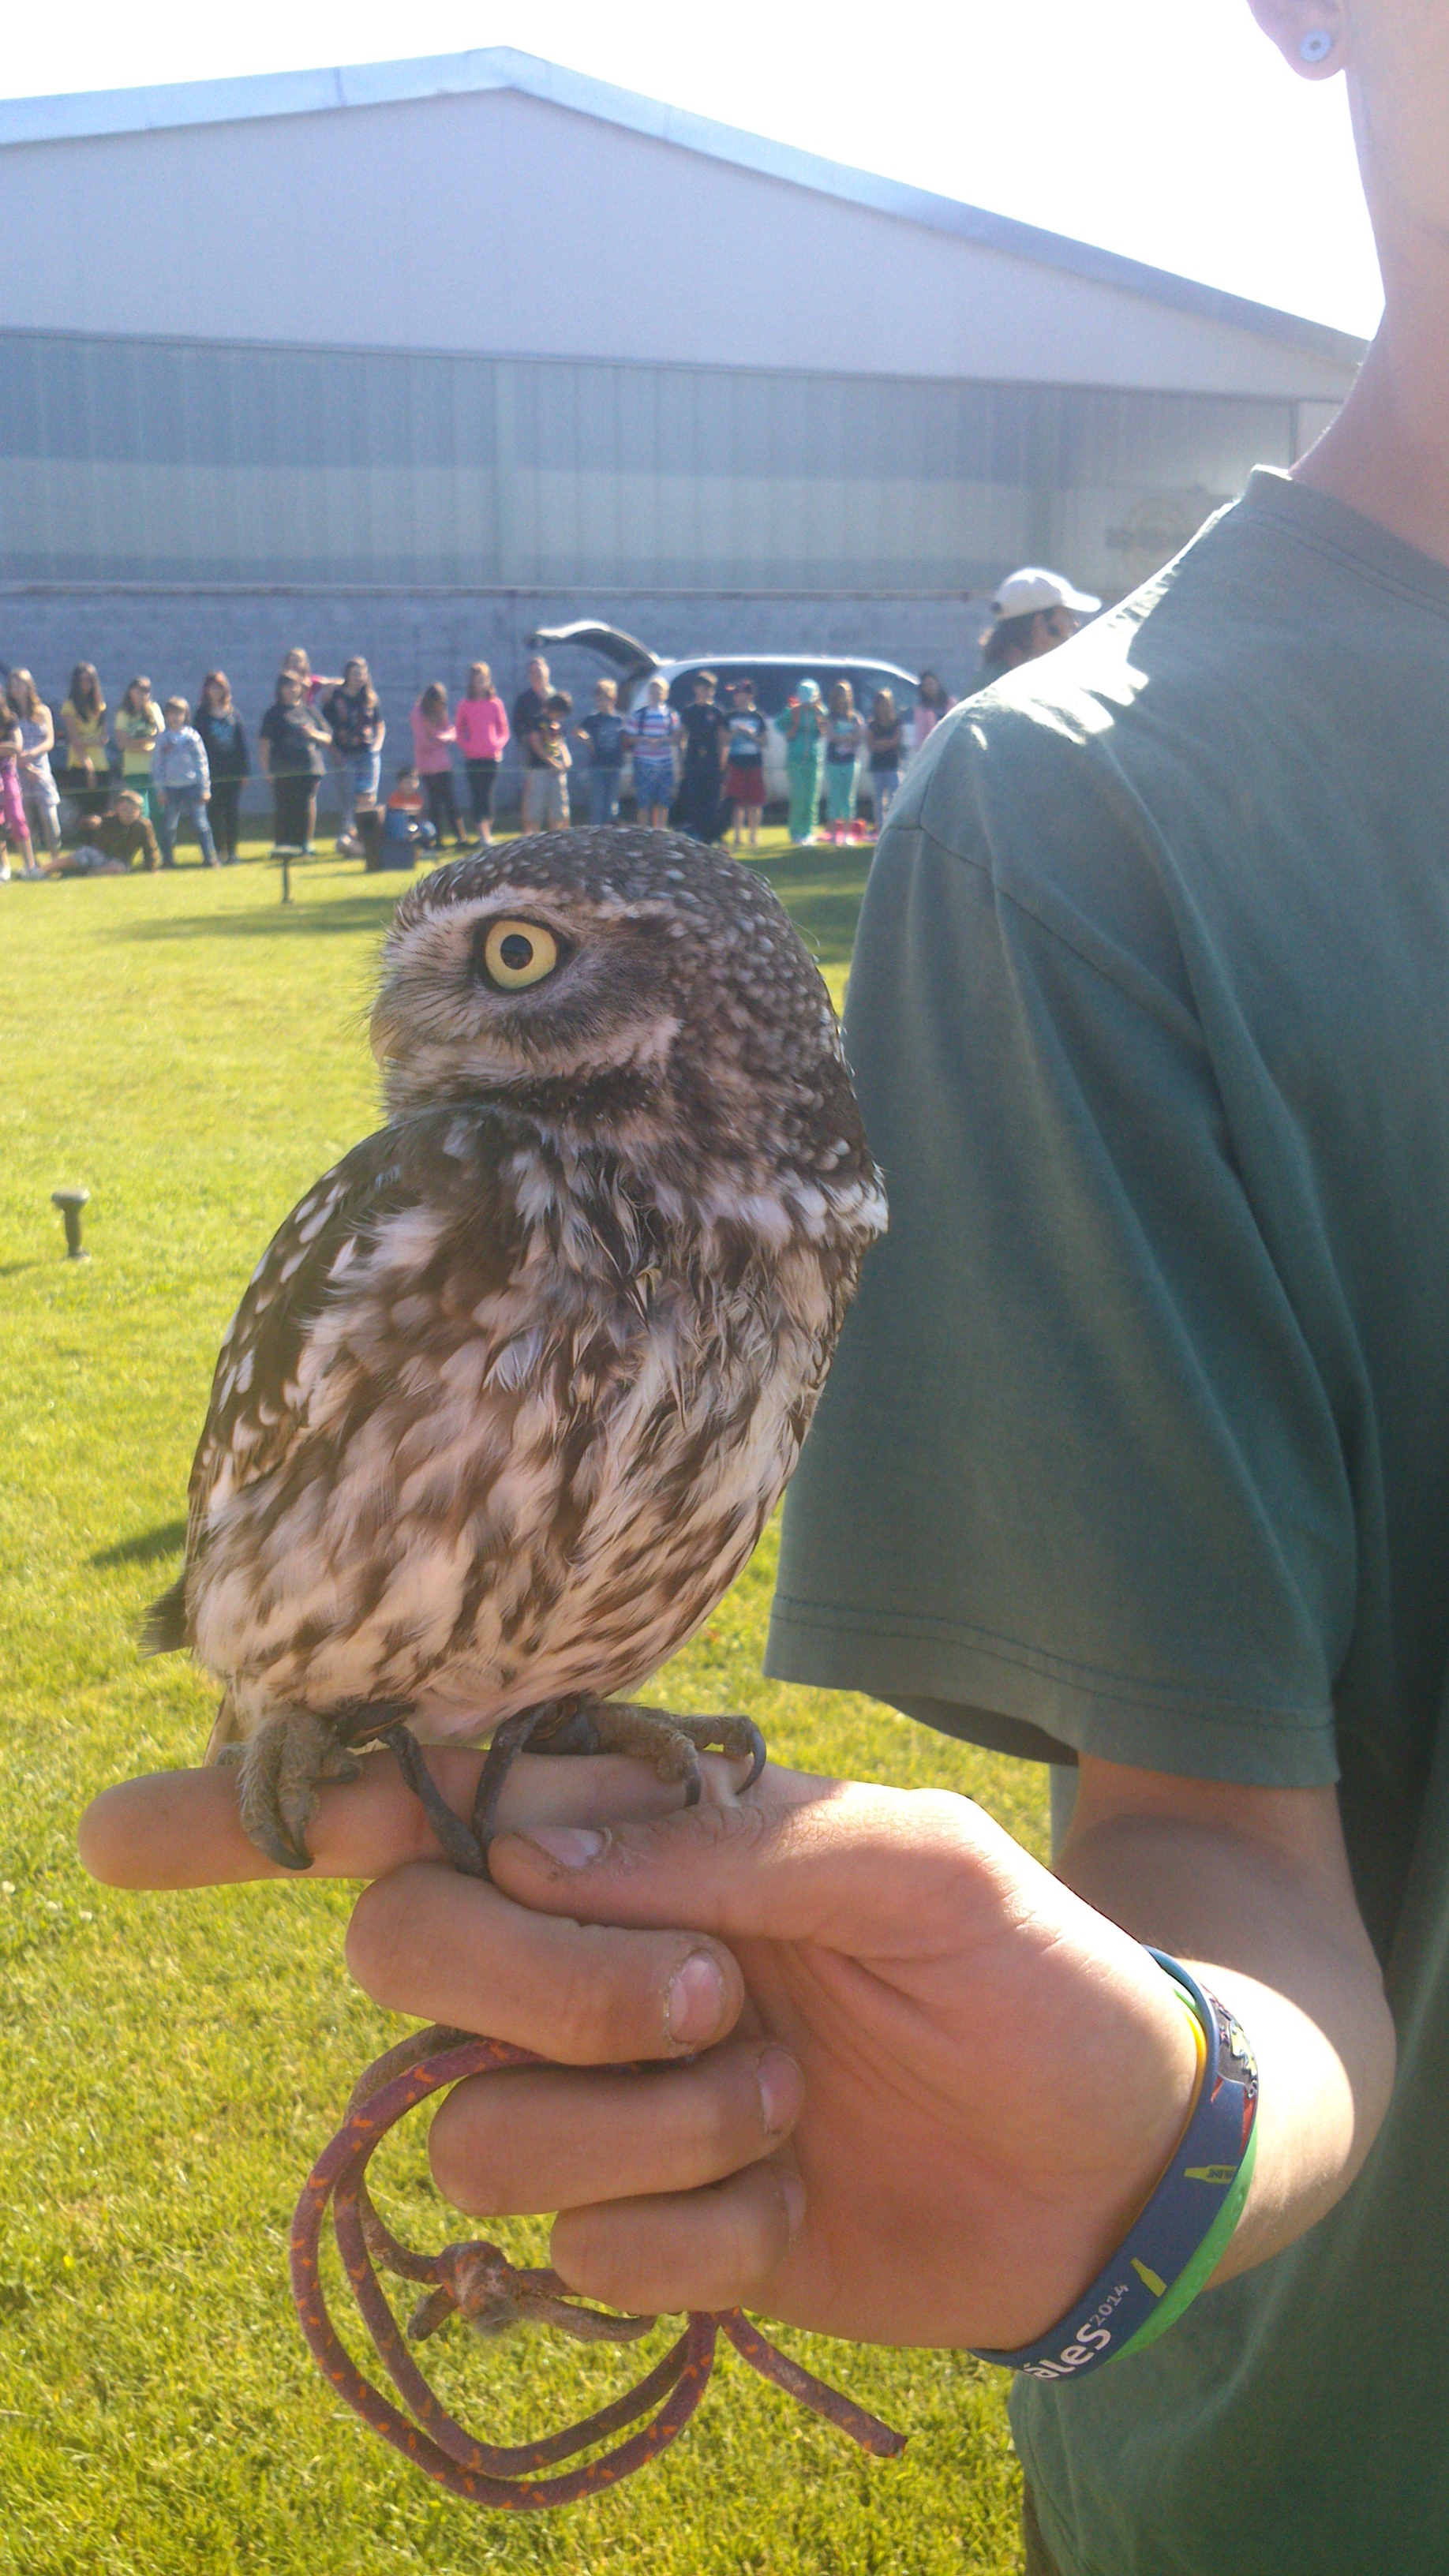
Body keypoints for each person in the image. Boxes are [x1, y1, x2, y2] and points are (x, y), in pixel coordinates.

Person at [79, 17, 1449, 2576]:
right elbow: (1218, 1841)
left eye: (503, 965)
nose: (430, 1040)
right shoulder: (1105, 829)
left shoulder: (810, 1172)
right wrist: (1163, 2136)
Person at [974, 568, 1101, 687]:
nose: (1075, 623)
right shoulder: (1012, 689)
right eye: (1067, 614)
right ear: (1040, 623)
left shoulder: (992, 680)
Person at [257, 670, 331, 852]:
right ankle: (283, 846)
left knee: (305, 807)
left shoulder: (309, 710)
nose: (292, 690)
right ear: (280, 689)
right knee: (285, 808)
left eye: (295, 686)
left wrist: (313, 734)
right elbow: (265, 744)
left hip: (309, 768)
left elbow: (328, 738)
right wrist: (266, 770)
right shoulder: (273, 713)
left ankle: (304, 845)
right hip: (283, 769)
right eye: (287, 686)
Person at [324, 659, 385, 855]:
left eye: (362, 674)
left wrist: (376, 747)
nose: (359, 678)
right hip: (345, 755)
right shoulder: (336, 697)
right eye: (355, 673)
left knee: (368, 797)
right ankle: (347, 839)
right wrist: (334, 751)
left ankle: (368, 840)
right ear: (347, 675)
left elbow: (379, 725)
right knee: (349, 800)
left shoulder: (369, 697)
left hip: (367, 754)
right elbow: (326, 726)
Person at [151, 698, 218, 867]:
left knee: (201, 823)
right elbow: (157, 765)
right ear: (166, 716)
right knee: (169, 825)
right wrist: (160, 789)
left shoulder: (193, 737)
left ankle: (210, 858)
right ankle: (168, 860)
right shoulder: (163, 739)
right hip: (171, 787)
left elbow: (202, 762)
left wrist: (205, 787)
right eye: (172, 714)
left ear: (185, 715)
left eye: (179, 714)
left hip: (193, 785)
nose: (175, 717)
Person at [6, 669, 62, 863]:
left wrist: (32, 754)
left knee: (49, 815)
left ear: (29, 686)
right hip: (16, 770)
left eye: (20, 684)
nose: (16, 689)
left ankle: (56, 860)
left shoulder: (42, 711)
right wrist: (22, 760)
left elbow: (50, 741)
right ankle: (33, 863)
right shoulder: (8, 714)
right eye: (13, 685)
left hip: (40, 769)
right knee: (25, 817)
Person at [193, 672, 249, 865]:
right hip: (211, 772)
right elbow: (197, 745)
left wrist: (245, 772)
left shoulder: (234, 713)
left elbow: (242, 745)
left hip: (233, 771)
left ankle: (232, 852)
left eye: (219, 687)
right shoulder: (202, 714)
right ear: (206, 690)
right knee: (214, 812)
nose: (216, 691)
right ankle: (217, 851)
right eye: (212, 687)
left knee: (232, 812)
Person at [42, 786, 159, 876]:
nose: (128, 813)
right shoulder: (109, 819)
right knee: (76, 859)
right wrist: (91, 823)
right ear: (117, 810)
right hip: (98, 853)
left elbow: (150, 848)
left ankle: (84, 874)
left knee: (117, 869)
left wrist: (151, 868)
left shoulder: (143, 826)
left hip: (119, 860)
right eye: (124, 809)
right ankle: (41, 871)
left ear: (139, 811)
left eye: (132, 810)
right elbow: (87, 824)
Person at [454, 663, 509, 844]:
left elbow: (504, 730)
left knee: (487, 795)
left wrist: (497, 745)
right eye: (477, 680)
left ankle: (487, 833)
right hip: (473, 758)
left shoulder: (495, 704)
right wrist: (467, 746)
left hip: (492, 758)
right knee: (477, 796)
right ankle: (482, 834)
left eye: (484, 679)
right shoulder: (465, 705)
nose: (481, 683)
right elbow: (458, 730)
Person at [411, 684, 469, 852]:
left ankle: (461, 838)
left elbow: (451, 732)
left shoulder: (441, 712)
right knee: (435, 803)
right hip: (427, 766)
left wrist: (438, 738)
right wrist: (441, 739)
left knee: (451, 802)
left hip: (443, 764)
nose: (439, 707)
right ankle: (437, 839)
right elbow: (424, 743)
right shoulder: (417, 713)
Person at [674, 670, 729, 844]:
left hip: (712, 762)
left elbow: (723, 740)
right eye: (701, 688)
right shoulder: (689, 711)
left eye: (708, 689)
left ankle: (710, 834)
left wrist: (723, 763)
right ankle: (695, 831)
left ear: (712, 691)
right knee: (694, 798)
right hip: (694, 760)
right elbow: (681, 737)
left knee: (711, 799)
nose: (705, 692)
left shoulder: (717, 712)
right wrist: (681, 759)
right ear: (695, 689)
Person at [57, 663, 110, 825]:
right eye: (81, 681)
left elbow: (104, 738)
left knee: (102, 812)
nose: (85, 685)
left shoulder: (100, 706)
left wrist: (87, 741)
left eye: (89, 681)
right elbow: (75, 741)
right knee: (85, 813)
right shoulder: (69, 707)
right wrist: (89, 769)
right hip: (80, 765)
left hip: (102, 764)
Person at [776, 677, 826, 846]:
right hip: (795, 760)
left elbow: (827, 725)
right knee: (798, 797)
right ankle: (796, 832)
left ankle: (809, 832)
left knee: (811, 798)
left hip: (813, 759)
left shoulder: (820, 712)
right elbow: (778, 724)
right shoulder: (793, 712)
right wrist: (789, 731)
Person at [625, 675, 679, 829]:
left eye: (659, 691)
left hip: (665, 763)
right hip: (644, 763)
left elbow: (677, 737)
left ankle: (661, 830)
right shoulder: (639, 715)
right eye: (653, 691)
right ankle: (645, 831)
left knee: (664, 800)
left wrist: (662, 740)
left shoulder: (671, 715)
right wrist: (646, 740)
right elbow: (629, 738)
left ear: (666, 694)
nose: (656, 695)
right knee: (644, 800)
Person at [723, 676, 768, 850]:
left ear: (749, 696)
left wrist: (750, 735)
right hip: (735, 762)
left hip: (754, 762)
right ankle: (737, 836)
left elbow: (764, 742)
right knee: (737, 801)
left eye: (740, 694)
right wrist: (735, 733)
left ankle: (754, 836)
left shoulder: (758, 717)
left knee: (755, 802)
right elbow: (724, 740)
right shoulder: (730, 717)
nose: (737, 697)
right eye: (735, 694)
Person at [575, 678, 627, 826]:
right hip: (597, 766)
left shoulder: (620, 719)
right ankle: (596, 832)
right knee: (597, 804)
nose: (602, 703)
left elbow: (626, 738)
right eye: (599, 699)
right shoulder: (592, 719)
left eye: (606, 699)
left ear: (613, 699)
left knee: (612, 805)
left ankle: (610, 832)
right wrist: (587, 740)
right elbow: (577, 731)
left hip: (614, 766)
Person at [0, 683, 39, 878]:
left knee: (17, 816)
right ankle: (3, 866)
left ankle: (30, 866)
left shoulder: (10, 719)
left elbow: (16, 746)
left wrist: (8, 748)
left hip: (7, 773)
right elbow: (9, 747)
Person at [112, 676, 163, 820]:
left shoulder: (154, 708)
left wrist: (150, 710)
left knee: (158, 808)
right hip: (134, 768)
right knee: (140, 807)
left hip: (155, 767)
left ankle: (158, 835)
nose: (143, 694)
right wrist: (145, 746)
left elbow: (161, 733)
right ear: (131, 692)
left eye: (146, 691)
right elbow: (122, 743)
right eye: (139, 690)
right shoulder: (123, 713)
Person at [513, 653, 555, 832]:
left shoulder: (555, 697)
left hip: (555, 758)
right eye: (533, 672)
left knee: (557, 805)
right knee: (533, 802)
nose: (537, 675)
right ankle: (530, 836)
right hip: (534, 761)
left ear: (547, 671)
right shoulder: (525, 700)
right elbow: (517, 726)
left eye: (540, 671)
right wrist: (529, 740)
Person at [822, 680, 866, 845]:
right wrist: (847, 737)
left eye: (846, 695)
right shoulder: (830, 717)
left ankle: (847, 834)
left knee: (849, 798)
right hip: (833, 762)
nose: (843, 699)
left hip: (850, 762)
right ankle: (834, 835)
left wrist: (844, 737)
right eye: (840, 695)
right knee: (834, 798)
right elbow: (830, 736)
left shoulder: (855, 717)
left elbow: (859, 738)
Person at [523, 691, 572, 830]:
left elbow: (561, 743)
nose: (561, 717)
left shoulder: (557, 725)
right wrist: (551, 762)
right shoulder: (537, 722)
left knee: (559, 809)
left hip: (557, 772)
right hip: (539, 770)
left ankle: (558, 836)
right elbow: (536, 744)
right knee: (535, 807)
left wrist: (567, 760)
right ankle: (531, 836)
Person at [865, 687, 904, 837]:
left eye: (886, 704)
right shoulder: (872, 725)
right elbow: (871, 744)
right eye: (880, 704)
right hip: (877, 767)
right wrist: (886, 743)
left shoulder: (896, 722)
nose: (883, 708)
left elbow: (896, 741)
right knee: (878, 800)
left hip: (892, 766)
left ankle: (893, 827)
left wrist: (881, 743)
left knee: (894, 799)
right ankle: (880, 828)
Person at [381, 762, 435, 860]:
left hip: (416, 825)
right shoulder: (394, 798)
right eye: (407, 783)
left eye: (414, 782)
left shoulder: (418, 798)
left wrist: (418, 831)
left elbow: (421, 817)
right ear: (400, 784)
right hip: (401, 827)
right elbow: (395, 816)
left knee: (428, 829)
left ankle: (426, 850)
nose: (410, 785)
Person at [910, 669, 954, 755]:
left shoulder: (951, 703)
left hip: (951, 749)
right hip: (933, 752)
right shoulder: (921, 710)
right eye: (926, 686)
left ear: (937, 684)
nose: (930, 688)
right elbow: (921, 736)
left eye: (931, 684)